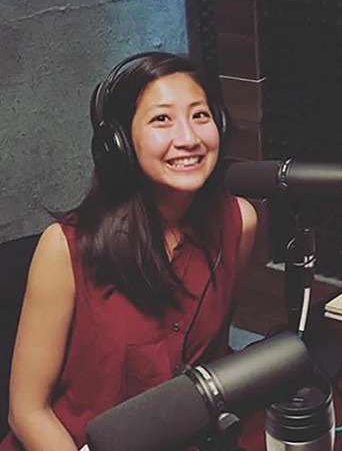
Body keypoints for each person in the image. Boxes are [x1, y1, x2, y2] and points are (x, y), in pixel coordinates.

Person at [2, 52, 257, 450]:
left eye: (200, 115)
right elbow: (27, 412)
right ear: (118, 143)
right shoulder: (64, 249)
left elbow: (214, 357)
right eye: (161, 119)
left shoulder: (239, 223)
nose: (188, 138)